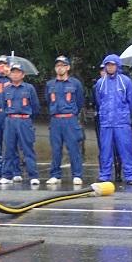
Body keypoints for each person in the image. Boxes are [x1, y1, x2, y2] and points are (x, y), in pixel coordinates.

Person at [94, 53, 132, 184]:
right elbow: (98, 101)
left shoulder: (126, 81)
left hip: (121, 122)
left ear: (117, 66)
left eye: (112, 65)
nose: (110, 67)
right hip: (106, 122)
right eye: (108, 65)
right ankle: (105, 175)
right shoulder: (100, 83)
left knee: (126, 149)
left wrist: (123, 115)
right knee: (105, 150)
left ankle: (130, 176)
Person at [44, 56, 84, 186]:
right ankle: (55, 175)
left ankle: (77, 175)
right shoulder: (50, 84)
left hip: (70, 119)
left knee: (73, 148)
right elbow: (48, 100)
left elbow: (79, 101)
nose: (60, 68)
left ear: (68, 67)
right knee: (56, 149)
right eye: (57, 65)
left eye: (62, 65)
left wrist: (72, 114)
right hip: (55, 119)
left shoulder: (75, 83)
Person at [0, 62, 40, 185]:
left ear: (23, 75)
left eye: (18, 72)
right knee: (9, 149)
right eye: (13, 72)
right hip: (10, 120)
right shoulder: (6, 89)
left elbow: (35, 106)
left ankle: (33, 175)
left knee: (27, 148)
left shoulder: (29, 88)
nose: (15, 75)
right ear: (10, 74)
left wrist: (27, 117)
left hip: (24, 120)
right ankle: (7, 175)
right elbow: (3, 105)